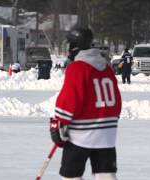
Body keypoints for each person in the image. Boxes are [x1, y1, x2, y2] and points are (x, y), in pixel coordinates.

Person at [50, 28, 122, 180]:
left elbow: (69, 99)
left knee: (71, 176)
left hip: (81, 135)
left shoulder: (77, 68)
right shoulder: (107, 67)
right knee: (106, 175)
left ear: (74, 45)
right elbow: (116, 100)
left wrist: (59, 122)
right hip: (107, 134)